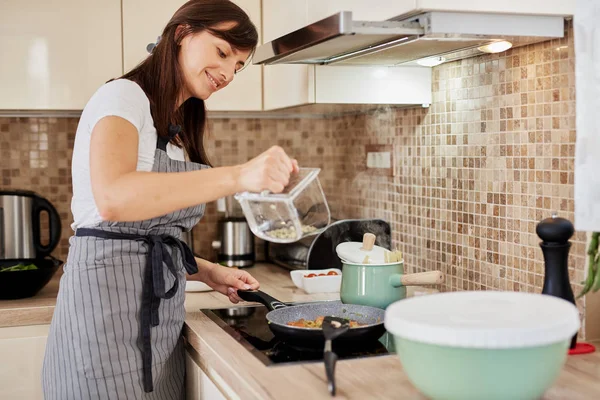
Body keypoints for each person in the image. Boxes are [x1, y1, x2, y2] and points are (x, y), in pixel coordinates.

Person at [41, 1, 298, 398]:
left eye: (239, 65)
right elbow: (113, 199)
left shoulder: (177, 132)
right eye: (222, 52)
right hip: (103, 330)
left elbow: (145, 240)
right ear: (181, 34)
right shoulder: (123, 97)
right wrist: (238, 175)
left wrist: (207, 270)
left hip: (159, 329)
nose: (229, 73)